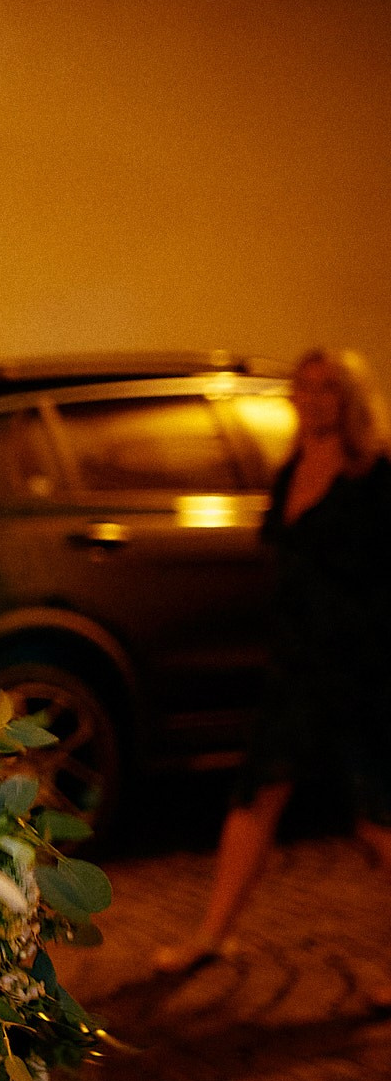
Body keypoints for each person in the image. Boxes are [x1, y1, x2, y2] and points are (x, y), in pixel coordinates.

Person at [153, 348, 391, 980]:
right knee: (255, 797)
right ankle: (212, 934)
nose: (312, 399)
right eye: (304, 388)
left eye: (328, 389)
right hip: (295, 667)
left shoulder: (376, 473)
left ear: (350, 399)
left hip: (357, 670)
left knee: (376, 818)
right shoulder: (291, 470)